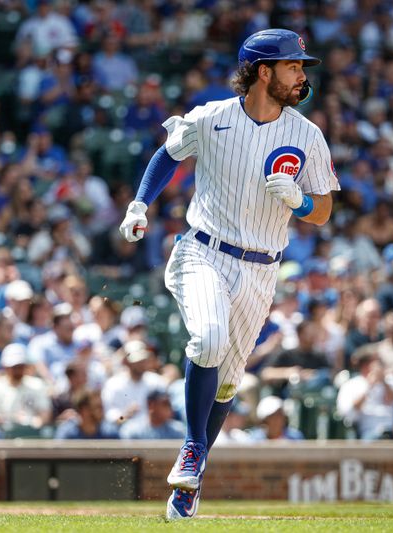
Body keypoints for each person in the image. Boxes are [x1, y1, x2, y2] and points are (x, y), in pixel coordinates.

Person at [117, 29, 338, 520]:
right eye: (293, 66)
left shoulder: (307, 134)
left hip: (261, 269)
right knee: (209, 341)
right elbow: (166, 155)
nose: (302, 75)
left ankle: (190, 481)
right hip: (204, 252)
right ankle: (193, 449)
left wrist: (300, 202)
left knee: (227, 384)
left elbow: (322, 211)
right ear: (264, 71)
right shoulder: (212, 117)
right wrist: (139, 204)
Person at [119, 390, 186, 440]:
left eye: (170, 404)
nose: (170, 408)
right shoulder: (132, 429)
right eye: (165, 404)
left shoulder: (178, 430)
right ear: (151, 405)